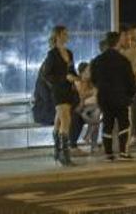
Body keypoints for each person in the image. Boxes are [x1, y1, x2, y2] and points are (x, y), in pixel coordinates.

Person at [91, 32, 136, 162]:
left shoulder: (98, 60)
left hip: (104, 98)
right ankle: (123, 152)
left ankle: (108, 153)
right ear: (117, 42)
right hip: (121, 97)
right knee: (124, 124)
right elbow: (130, 81)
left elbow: (94, 79)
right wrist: (131, 95)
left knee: (107, 125)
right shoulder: (123, 61)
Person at [41, 26, 80, 166]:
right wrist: (64, 77)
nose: (67, 36)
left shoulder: (69, 52)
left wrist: (76, 78)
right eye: (64, 33)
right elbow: (47, 74)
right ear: (57, 35)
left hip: (68, 90)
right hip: (58, 90)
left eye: (67, 33)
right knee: (66, 120)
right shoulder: (52, 54)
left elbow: (72, 70)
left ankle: (58, 151)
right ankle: (65, 154)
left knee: (59, 120)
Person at [119, 25, 136, 146]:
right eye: (134, 33)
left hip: (134, 81)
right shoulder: (119, 47)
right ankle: (125, 134)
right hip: (121, 82)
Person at [73, 62, 101, 152]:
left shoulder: (91, 82)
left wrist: (90, 94)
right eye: (88, 70)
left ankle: (90, 138)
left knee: (97, 112)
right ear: (82, 73)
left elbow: (96, 92)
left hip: (92, 107)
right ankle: (93, 143)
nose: (90, 72)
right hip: (83, 108)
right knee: (96, 115)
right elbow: (81, 96)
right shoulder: (77, 82)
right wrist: (90, 93)